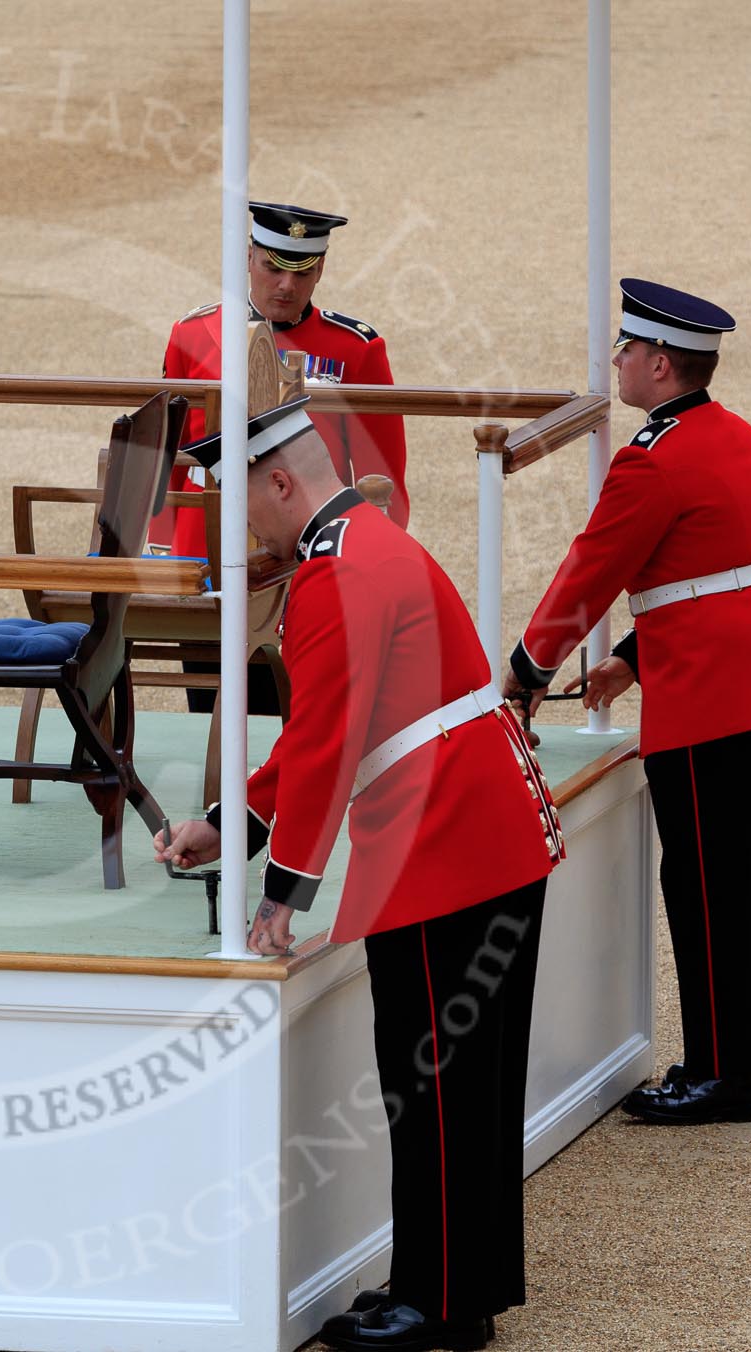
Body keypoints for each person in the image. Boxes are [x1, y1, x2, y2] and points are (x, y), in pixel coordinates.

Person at [155, 398, 561, 1351]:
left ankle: (447, 1304)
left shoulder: (332, 577)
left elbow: (330, 743)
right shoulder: (367, 538)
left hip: (440, 848)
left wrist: (282, 893)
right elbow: (324, 731)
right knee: (471, 1085)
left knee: (435, 1085)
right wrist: (232, 821)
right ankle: (448, 1281)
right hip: (486, 828)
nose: (240, 525)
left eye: (243, 501)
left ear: (282, 482)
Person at [503, 279, 751, 1125]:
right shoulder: (737, 437)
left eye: (625, 351)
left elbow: (591, 571)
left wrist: (530, 668)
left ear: (659, 363)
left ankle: (720, 1072)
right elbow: (722, 563)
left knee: (708, 882)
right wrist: (634, 657)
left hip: (716, 696)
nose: (616, 361)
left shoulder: (650, 459)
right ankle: (748, 1060)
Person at [160, 201, 411, 716]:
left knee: (305, 713)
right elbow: (169, 455)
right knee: (212, 712)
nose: (284, 286)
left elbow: (382, 472)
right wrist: (163, 552)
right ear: (248, 258)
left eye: (299, 272)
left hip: (310, 562)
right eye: (271, 267)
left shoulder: (355, 349)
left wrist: (376, 558)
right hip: (209, 554)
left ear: (319, 270)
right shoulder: (193, 336)